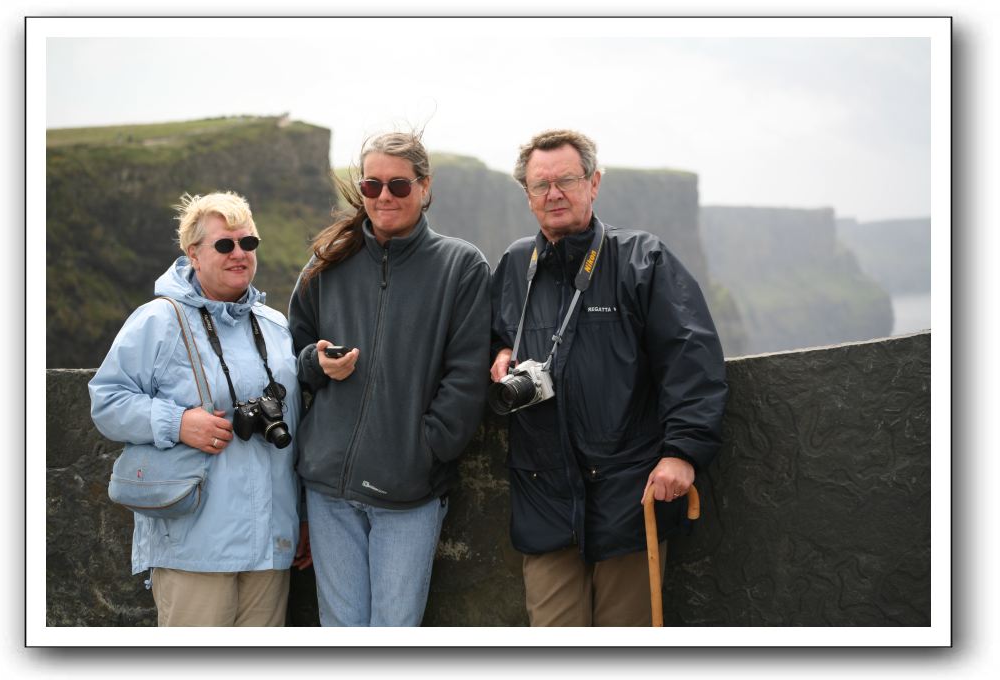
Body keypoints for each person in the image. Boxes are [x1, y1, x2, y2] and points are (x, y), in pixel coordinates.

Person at [489, 130, 728, 626]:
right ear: (527, 195)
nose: (553, 194)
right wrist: (501, 350)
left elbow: (692, 357)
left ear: (594, 183)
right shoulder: (515, 265)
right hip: (544, 493)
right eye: (540, 185)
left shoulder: (642, 259)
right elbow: (486, 337)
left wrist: (682, 452)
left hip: (628, 494)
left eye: (566, 180)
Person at [289, 131, 490, 627]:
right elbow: (291, 357)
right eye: (372, 185)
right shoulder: (327, 262)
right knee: (341, 631)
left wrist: (423, 451)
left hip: (407, 493)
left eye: (399, 186)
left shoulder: (460, 266)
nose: (384, 197)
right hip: (328, 489)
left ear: (424, 187)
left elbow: (467, 379)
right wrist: (317, 364)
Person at [88, 191, 308, 626]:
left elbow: (298, 430)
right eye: (224, 245)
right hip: (194, 545)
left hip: (269, 546)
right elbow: (107, 401)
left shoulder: (275, 326)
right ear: (194, 254)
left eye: (249, 243)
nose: (239, 254)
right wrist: (178, 422)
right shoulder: (159, 320)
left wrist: (300, 518)